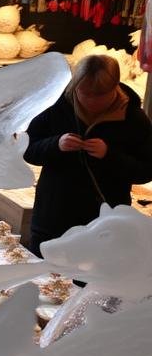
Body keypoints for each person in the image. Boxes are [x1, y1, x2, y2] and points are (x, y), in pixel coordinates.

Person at [23, 54, 152, 254]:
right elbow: (28, 150)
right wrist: (55, 144)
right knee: (43, 279)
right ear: (75, 86)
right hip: (53, 216)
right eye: (84, 93)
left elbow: (145, 171)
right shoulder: (55, 105)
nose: (91, 101)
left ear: (114, 88)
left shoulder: (133, 117)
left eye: (100, 96)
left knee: (92, 283)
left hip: (103, 223)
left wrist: (109, 155)